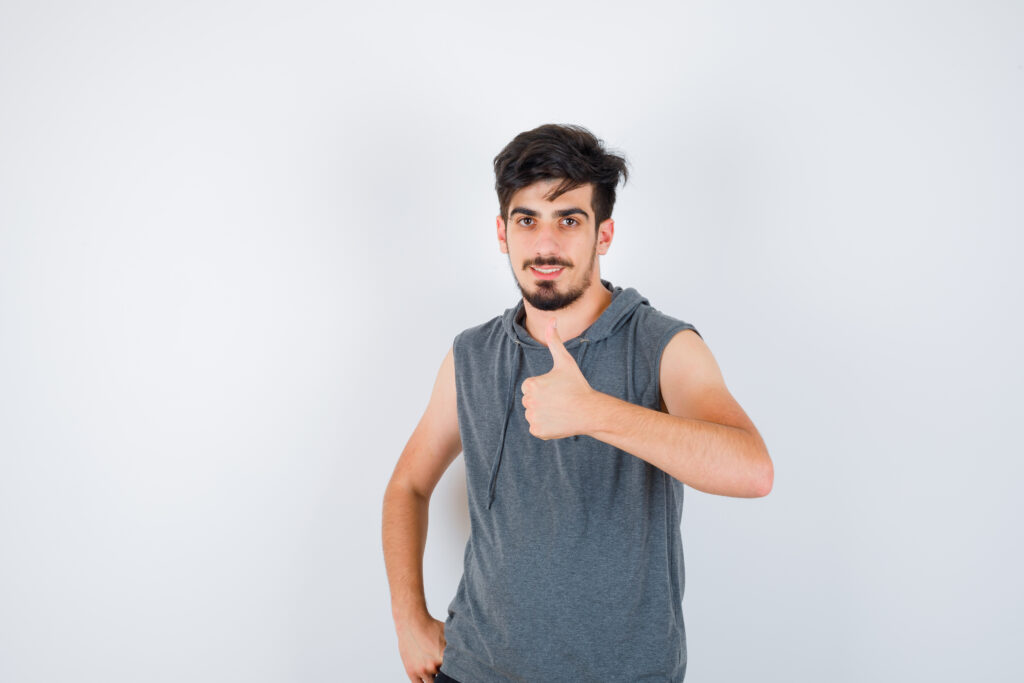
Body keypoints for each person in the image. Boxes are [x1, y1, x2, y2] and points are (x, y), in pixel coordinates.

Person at [382, 123, 773, 682]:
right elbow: (408, 486)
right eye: (527, 220)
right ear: (502, 232)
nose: (546, 245)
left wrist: (595, 412)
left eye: (569, 220)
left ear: (603, 235)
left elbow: (753, 470)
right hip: (474, 670)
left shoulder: (663, 345)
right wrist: (407, 619)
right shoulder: (470, 354)